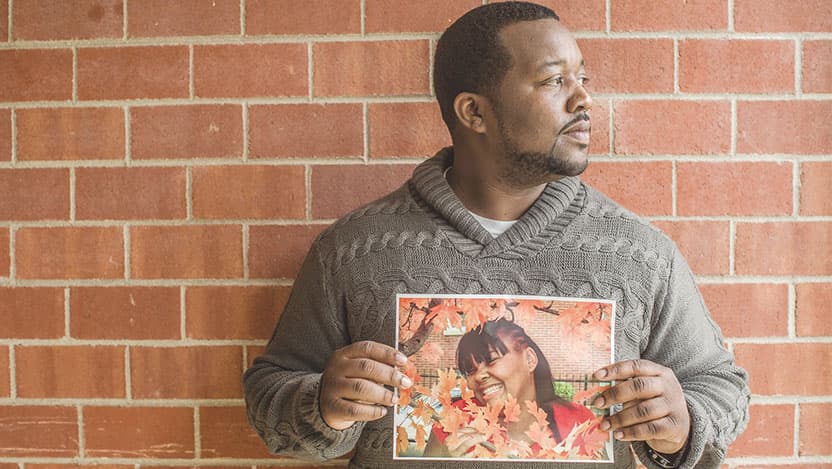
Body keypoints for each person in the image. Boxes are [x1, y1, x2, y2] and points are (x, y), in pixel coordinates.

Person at [243, 2, 750, 468]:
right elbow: (270, 399)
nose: (584, 99)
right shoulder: (354, 250)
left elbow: (722, 388)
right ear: (474, 112)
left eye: (582, 77)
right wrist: (321, 405)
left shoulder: (638, 254)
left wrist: (683, 423)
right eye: (554, 81)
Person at [423, 318, 597, 458]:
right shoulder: (454, 420)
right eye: (470, 370)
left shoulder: (580, 423)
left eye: (491, 360)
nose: (477, 376)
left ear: (529, 360)